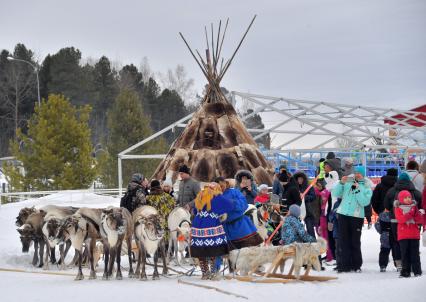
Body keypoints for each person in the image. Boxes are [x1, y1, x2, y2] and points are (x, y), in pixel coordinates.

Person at [333, 166, 372, 273]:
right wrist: (341, 183)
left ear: (363, 175)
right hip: (343, 214)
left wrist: (357, 189)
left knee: (355, 241)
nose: (357, 174)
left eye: (360, 173)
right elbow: (335, 193)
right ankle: (344, 265)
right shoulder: (347, 183)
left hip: (356, 216)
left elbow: (364, 202)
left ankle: (356, 264)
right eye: (356, 173)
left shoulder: (367, 186)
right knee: (343, 241)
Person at [190, 183, 233, 280]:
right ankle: (213, 272)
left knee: (200, 249)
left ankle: (205, 273)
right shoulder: (216, 196)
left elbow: (196, 210)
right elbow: (230, 205)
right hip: (210, 224)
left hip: (197, 224)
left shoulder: (200, 195)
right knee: (214, 249)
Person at [384, 172, 422, 271]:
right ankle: (414, 265)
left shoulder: (391, 191)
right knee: (413, 244)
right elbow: (421, 205)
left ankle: (399, 263)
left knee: (397, 242)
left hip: (394, 220)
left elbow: (387, 205)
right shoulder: (416, 191)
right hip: (413, 222)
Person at [217, 177, 263, 249]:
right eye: (218, 187)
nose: (221, 188)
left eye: (222, 186)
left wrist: (232, 203)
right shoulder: (214, 196)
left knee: (249, 251)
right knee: (232, 255)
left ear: (225, 183)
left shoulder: (235, 192)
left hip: (241, 226)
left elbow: (244, 204)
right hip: (225, 229)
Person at [394, 190, 424, 277]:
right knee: (405, 254)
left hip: (414, 235)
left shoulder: (415, 207)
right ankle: (405, 271)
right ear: (401, 199)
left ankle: (417, 271)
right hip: (403, 235)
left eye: (409, 197)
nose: (408, 199)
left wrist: (415, 216)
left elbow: (419, 219)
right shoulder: (398, 208)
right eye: (405, 197)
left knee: (415, 254)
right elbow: (401, 219)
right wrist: (410, 215)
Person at [293, 171, 316, 237]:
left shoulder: (309, 187)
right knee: (296, 229)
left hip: (308, 211)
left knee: (310, 229)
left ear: (304, 179)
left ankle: (313, 244)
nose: (300, 180)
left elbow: (313, 196)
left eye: (301, 179)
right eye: (298, 179)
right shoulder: (294, 188)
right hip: (297, 212)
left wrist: (304, 197)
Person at [315, 180, 333, 262]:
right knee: (325, 238)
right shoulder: (326, 192)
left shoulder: (322, 193)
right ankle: (329, 255)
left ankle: (329, 256)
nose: (317, 187)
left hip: (323, 217)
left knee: (324, 238)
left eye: (318, 185)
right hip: (323, 217)